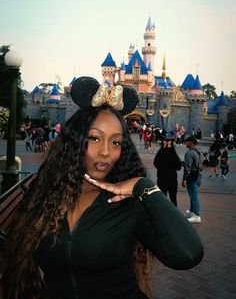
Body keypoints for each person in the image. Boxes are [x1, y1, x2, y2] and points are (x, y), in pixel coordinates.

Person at [1, 77, 203, 299]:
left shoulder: (128, 204)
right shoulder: (45, 197)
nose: (106, 151)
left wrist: (144, 187)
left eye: (116, 142)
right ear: (75, 141)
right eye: (95, 138)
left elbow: (188, 255)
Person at [153, 135, 182, 206]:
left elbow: (155, 163)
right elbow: (178, 167)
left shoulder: (160, 153)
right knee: (173, 198)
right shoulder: (173, 154)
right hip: (172, 179)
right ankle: (174, 214)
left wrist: (163, 147)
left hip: (162, 178)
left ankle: (164, 215)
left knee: (163, 199)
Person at [182, 136, 203, 223]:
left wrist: (184, 179)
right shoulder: (199, 151)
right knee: (192, 195)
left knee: (194, 197)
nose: (185, 143)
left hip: (192, 177)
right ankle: (192, 211)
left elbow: (187, 168)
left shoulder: (189, 153)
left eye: (186, 141)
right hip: (199, 177)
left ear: (191, 142)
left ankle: (197, 216)